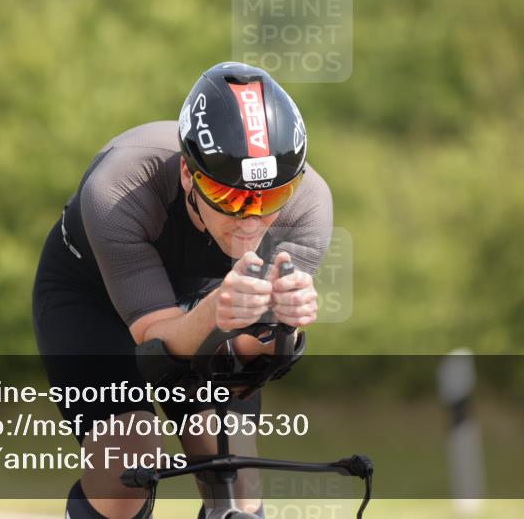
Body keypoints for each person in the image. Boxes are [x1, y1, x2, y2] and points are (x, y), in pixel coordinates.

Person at [32, 62, 333, 519]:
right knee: (127, 466)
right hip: (91, 299)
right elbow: (156, 343)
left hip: (209, 299)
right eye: (231, 198)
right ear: (189, 176)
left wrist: (281, 326)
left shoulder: (308, 205)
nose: (250, 221)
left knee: (234, 478)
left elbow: (249, 358)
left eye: (269, 198)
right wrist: (217, 312)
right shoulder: (117, 189)